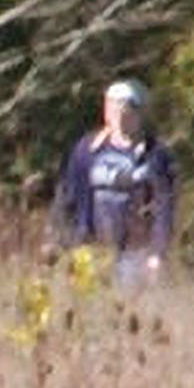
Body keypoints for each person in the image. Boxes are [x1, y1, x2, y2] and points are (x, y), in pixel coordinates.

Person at [52, 78, 178, 285]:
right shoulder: (87, 149)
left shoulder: (155, 155)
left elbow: (163, 206)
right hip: (91, 248)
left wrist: (157, 252)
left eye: (126, 107)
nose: (119, 114)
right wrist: (61, 240)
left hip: (135, 252)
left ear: (139, 113)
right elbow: (68, 196)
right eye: (112, 106)